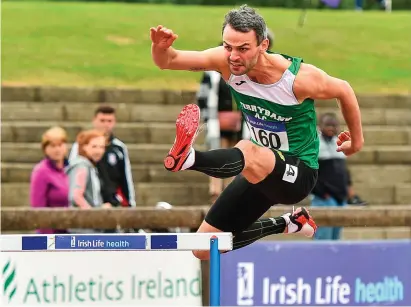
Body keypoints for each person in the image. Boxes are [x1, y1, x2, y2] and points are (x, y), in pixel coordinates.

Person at [150, 5, 364, 260]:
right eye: (228, 47)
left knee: (248, 149)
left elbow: (344, 89)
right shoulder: (226, 61)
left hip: (298, 172)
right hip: (259, 172)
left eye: (243, 48)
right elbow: (169, 61)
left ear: (263, 45)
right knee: (203, 247)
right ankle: (288, 223)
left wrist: (356, 141)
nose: (233, 56)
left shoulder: (297, 79)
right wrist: (160, 47)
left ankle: (190, 158)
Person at [197, 32, 275, 203]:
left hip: (242, 122)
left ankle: (230, 193)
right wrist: (209, 119)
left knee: (238, 155)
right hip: (218, 121)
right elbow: (203, 97)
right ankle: (215, 191)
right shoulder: (212, 72)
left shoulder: (247, 72)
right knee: (217, 153)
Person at [69, 105, 136, 207]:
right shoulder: (81, 164)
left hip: (108, 203)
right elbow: (76, 194)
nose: (98, 151)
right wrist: (92, 212)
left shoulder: (119, 148)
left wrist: (130, 203)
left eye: (101, 147)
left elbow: (126, 178)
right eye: (102, 120)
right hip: (90, 208)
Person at [30, 126, 69, 234]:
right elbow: (38, 208)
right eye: (52, 146)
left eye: (60, 145)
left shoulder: (72, 168)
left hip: (73, 231)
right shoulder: (41, 171)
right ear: (45, 149)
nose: (57, 149)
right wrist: (48, 240)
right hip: (51, 233)